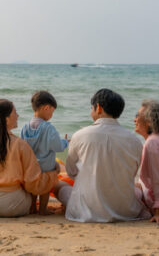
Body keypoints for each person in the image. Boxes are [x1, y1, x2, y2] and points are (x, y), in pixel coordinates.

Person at [54, 89, 150, 222]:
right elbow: (134, 173)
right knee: (134, 190)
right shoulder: (134, 140)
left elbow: (71, 172)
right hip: (125, 210)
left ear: (98, 108)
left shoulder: (80, 135)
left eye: (91, 107)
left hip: (86, 210)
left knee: (58, 185)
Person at [0, 99, 59, 217]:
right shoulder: (20, 144)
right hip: (13, 205)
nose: (18, 116)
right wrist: (53, 174)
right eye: (15, 113)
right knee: (30, 185)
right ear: (6, 119)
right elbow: (32, 182)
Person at [20, 90, 68, 215]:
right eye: (52, 111)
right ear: (47, 108)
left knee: (32, 190)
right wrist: (65, 142)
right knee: (45, 190)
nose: (51, 114)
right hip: (46, 169)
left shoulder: (25, 127)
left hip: (31, 168)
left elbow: (22, 148)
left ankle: (32, 208)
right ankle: (42, 210)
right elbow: (57, 146)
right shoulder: (48, 128)